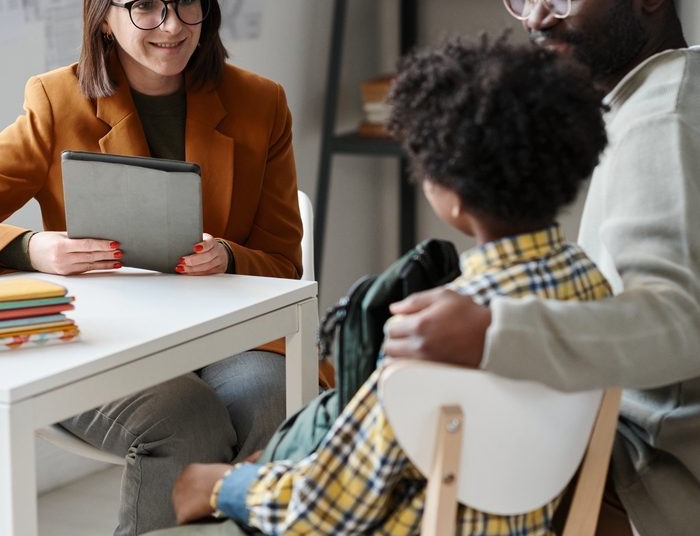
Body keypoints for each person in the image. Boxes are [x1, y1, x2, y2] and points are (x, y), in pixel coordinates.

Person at [147, 34, 613, 536]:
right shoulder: (592, 291)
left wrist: (220, 484)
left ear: (451, 195)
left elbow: (322, 511)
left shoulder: (438, 333)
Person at [384, 0, 700, 536]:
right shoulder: (670, 89)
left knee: (412, 451)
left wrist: (493, 331)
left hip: (654, 475)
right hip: (627, 431)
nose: (534, 18)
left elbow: (677, 323)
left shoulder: (658, 125)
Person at [0, 0, 307, 536]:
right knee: (184, 416)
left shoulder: (260, 103)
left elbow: (283, 260)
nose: (171, 26)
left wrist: (230, 257)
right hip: (104, 341)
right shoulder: (56, 100)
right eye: (144, 6)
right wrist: (32, 248)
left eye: (186, 1)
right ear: (103, 17)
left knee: (270, 397)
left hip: (227, 339)